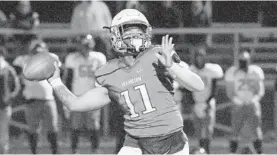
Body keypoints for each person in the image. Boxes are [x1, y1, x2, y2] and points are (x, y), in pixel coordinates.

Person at [46, 9, 204, 155]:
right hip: (136, 143)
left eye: (139, 32)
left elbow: (198, 85)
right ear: (116, 36)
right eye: (129, 33)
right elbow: (75, 104)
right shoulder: (109, 72)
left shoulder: (158, 55)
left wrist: (172, 67)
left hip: (172, 141)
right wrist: (55, 82)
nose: (136, 37)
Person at [13, 39, 60, 154]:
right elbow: (16, 73)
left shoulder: (49, 60)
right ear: (31, 51)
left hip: (48, 98)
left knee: (53, 127)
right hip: (31, 99)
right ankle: (34, 152)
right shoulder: (23, 60)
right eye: (35, 51)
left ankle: (55, 152)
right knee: (33, 129)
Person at [63, 34, 106, 153]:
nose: (85, 48)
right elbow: (68, 79)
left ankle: (95, 150)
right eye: (83, 46)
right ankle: (74, 150)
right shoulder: (72, 58)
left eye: (87, 45)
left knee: (93, 124)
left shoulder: (98, 57)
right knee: (75, 124)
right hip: (77, 96)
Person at [225, 49, 264, 154]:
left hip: (252, 105)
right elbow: (230, 92)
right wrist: (238, 101)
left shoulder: (255, 71)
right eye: (241, 60)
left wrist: (253, 100)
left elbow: (260, 90)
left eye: (245, 60)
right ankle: (232, 152)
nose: (243, 63)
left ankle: (259, 152)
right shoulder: (232, 72)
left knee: (256, 130)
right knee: (235, 131)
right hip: (238, 105)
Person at [189, 47, 223, 154]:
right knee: (198, 129)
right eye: (197, 57)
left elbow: (214, 85)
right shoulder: (191, 70)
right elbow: (187, 87)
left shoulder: (210, 70)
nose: (199, 60)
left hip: (208, 102)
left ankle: (207, 150)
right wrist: (193, 102)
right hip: (196, 102)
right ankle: (200, 150)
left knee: (208, 129)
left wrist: (208, 101)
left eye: (201, 57)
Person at [0, 46, 21, 154]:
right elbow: (16, 87)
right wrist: (11, 96)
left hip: (4, 105)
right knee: (3, 132)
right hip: (5, 104)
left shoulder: (8, 69)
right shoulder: (9, 69)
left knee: (3, 132)